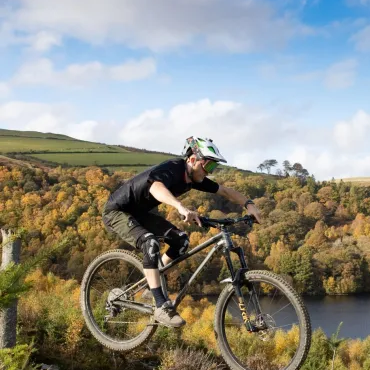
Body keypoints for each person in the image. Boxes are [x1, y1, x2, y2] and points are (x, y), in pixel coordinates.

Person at [102, 136, 260, 328]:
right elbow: (156, 187)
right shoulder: (174, 168)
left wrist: (249, 205)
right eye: (208, 166)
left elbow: (225, 191)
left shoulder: (194, 178)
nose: (209, 172)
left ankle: (149, 285)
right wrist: (180, 207)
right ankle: (161, 306)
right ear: (192, 160)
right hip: (118, 212)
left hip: (141, 213)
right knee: (150, 243)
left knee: (181, 241)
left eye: (213, 168)